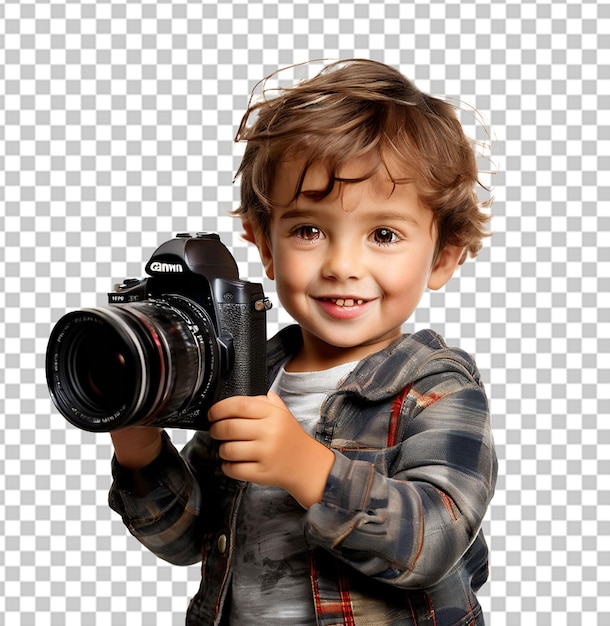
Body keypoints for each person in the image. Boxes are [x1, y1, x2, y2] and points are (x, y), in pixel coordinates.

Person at [108, 59, 498, 625]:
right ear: (265, 246)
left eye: (383, 234)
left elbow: (434, 540)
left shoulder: (435, 388)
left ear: (443, 256)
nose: (342, 265)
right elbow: (186, 541)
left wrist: (307, 468)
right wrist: (140, 450)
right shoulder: (244, 374)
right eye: (308, 230)